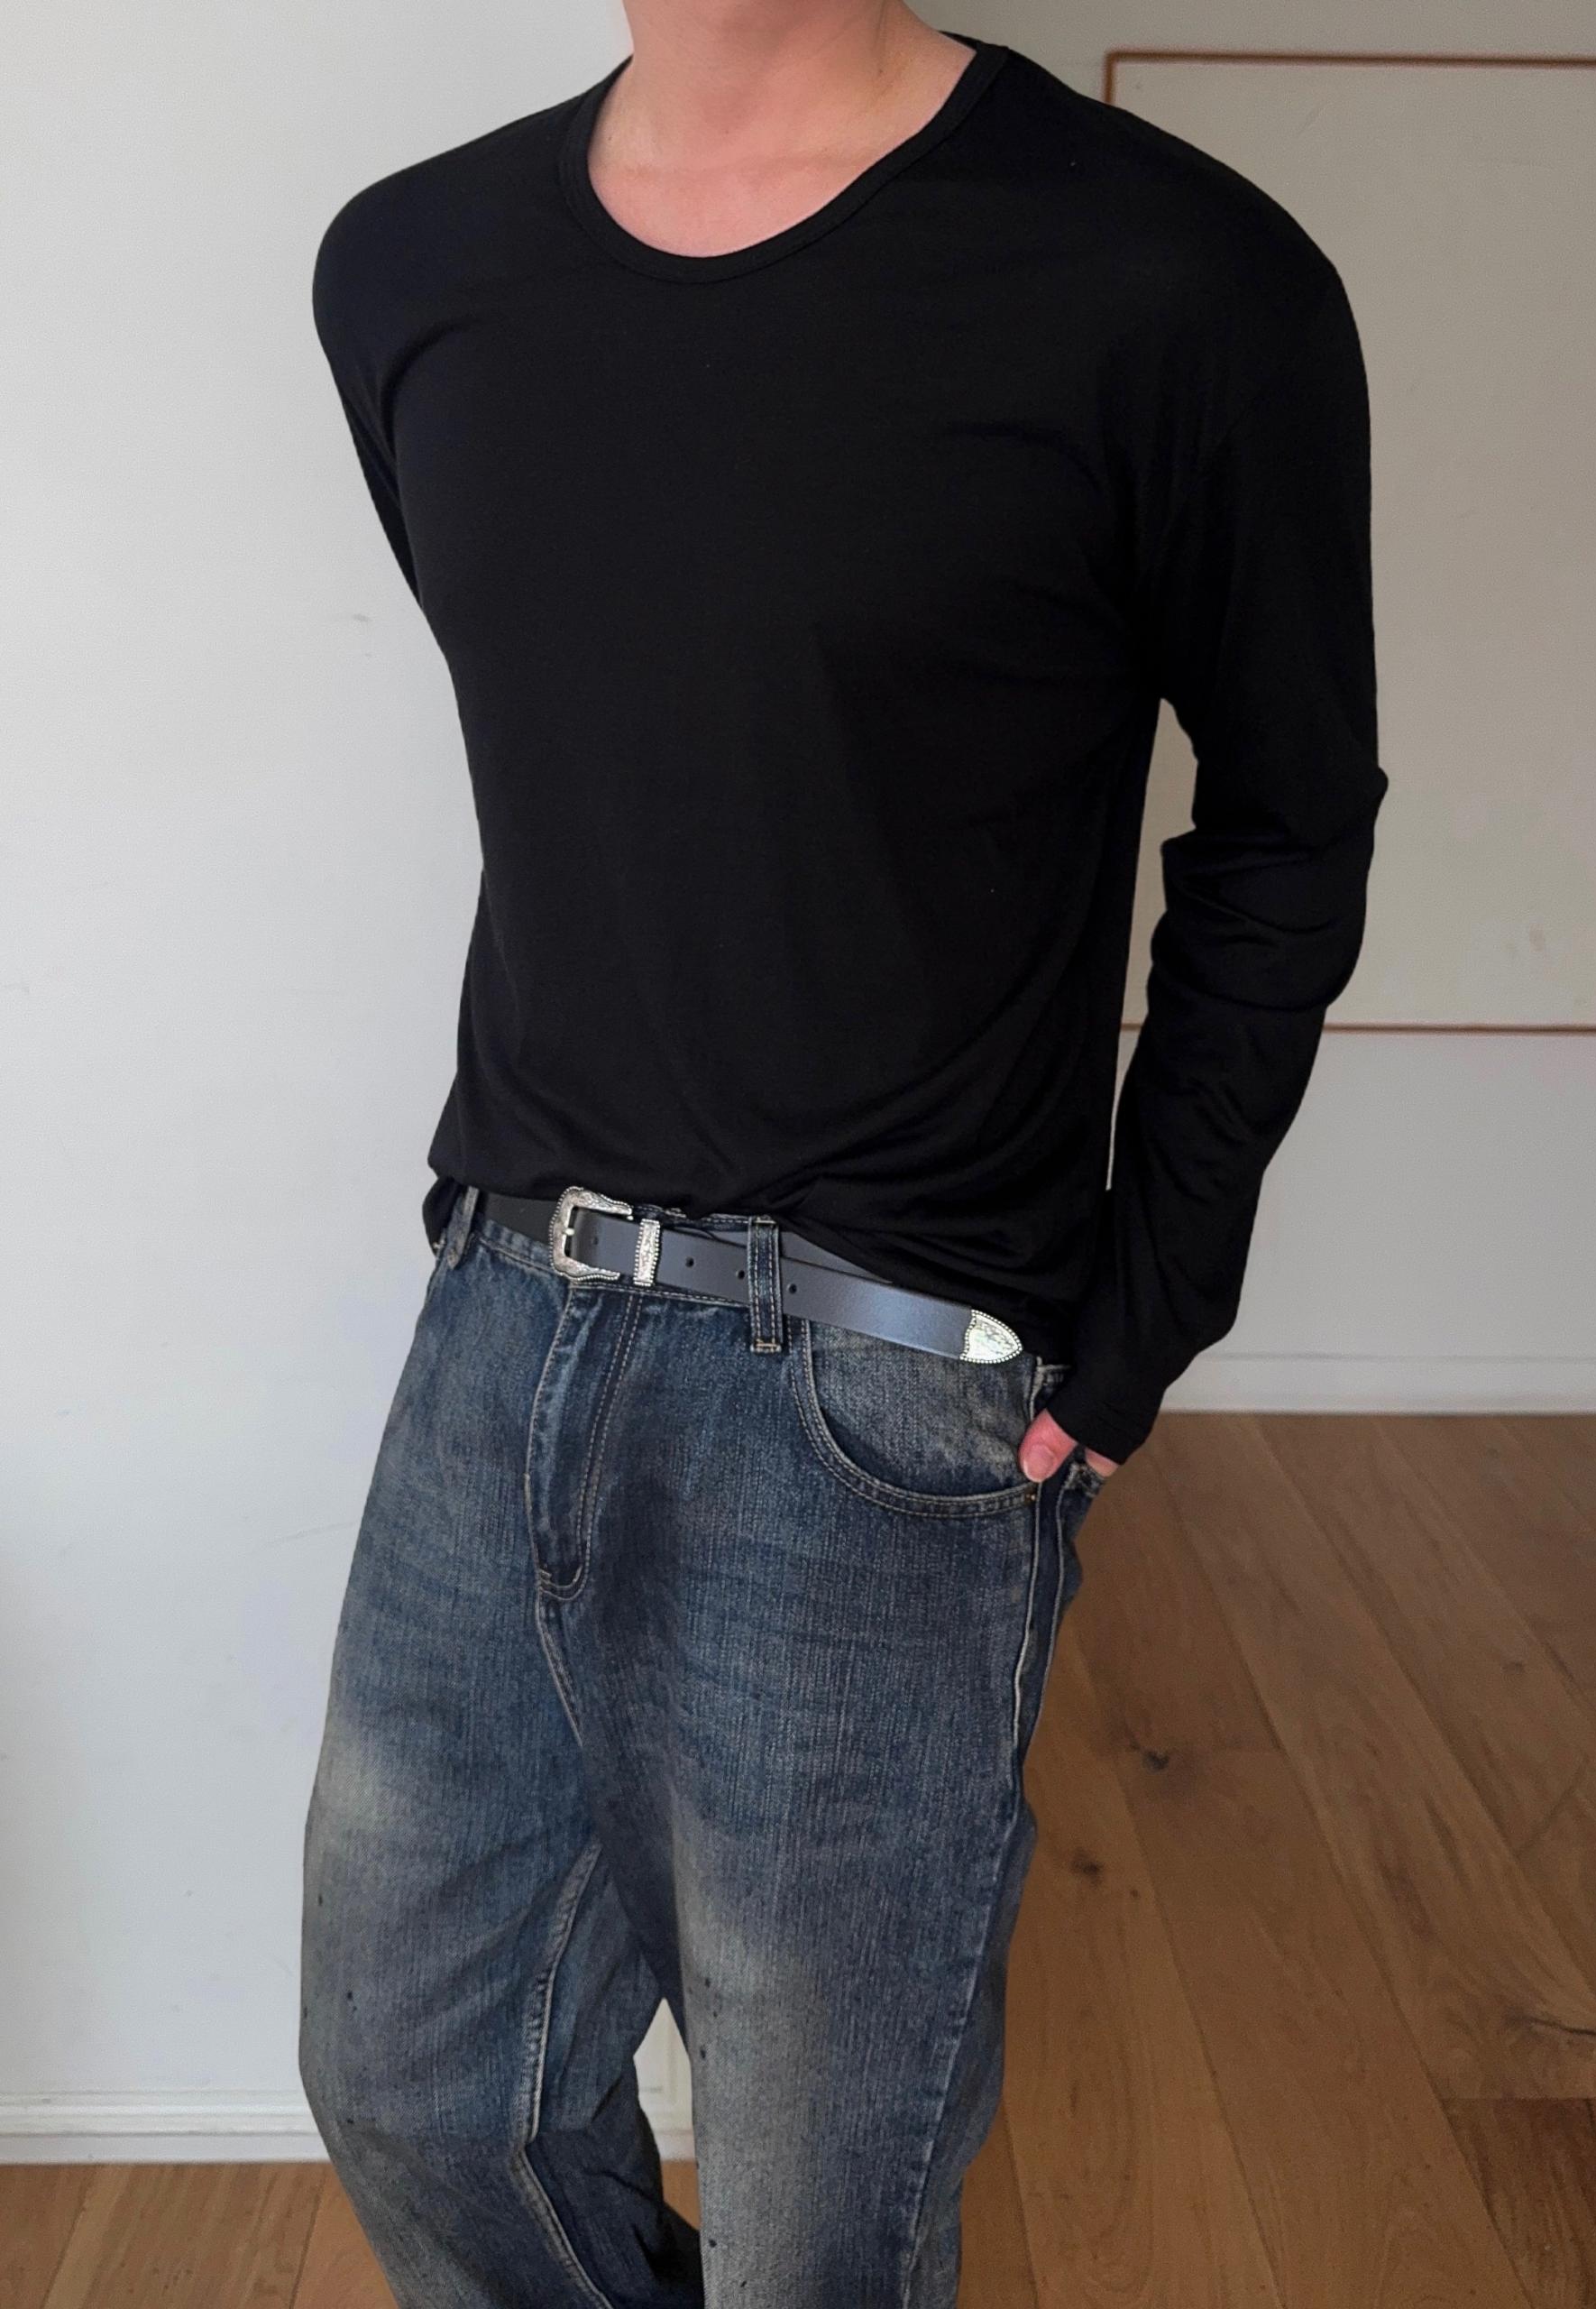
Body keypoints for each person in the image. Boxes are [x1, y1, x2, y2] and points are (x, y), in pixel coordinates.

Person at [298, 5, 1386, 2303]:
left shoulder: (1178, 282)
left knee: (821, 2233)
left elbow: (1291, 816)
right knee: (422, 2087)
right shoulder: (409, 267)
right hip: (502, 1312)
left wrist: (1151, 1297)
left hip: (882, 1393)